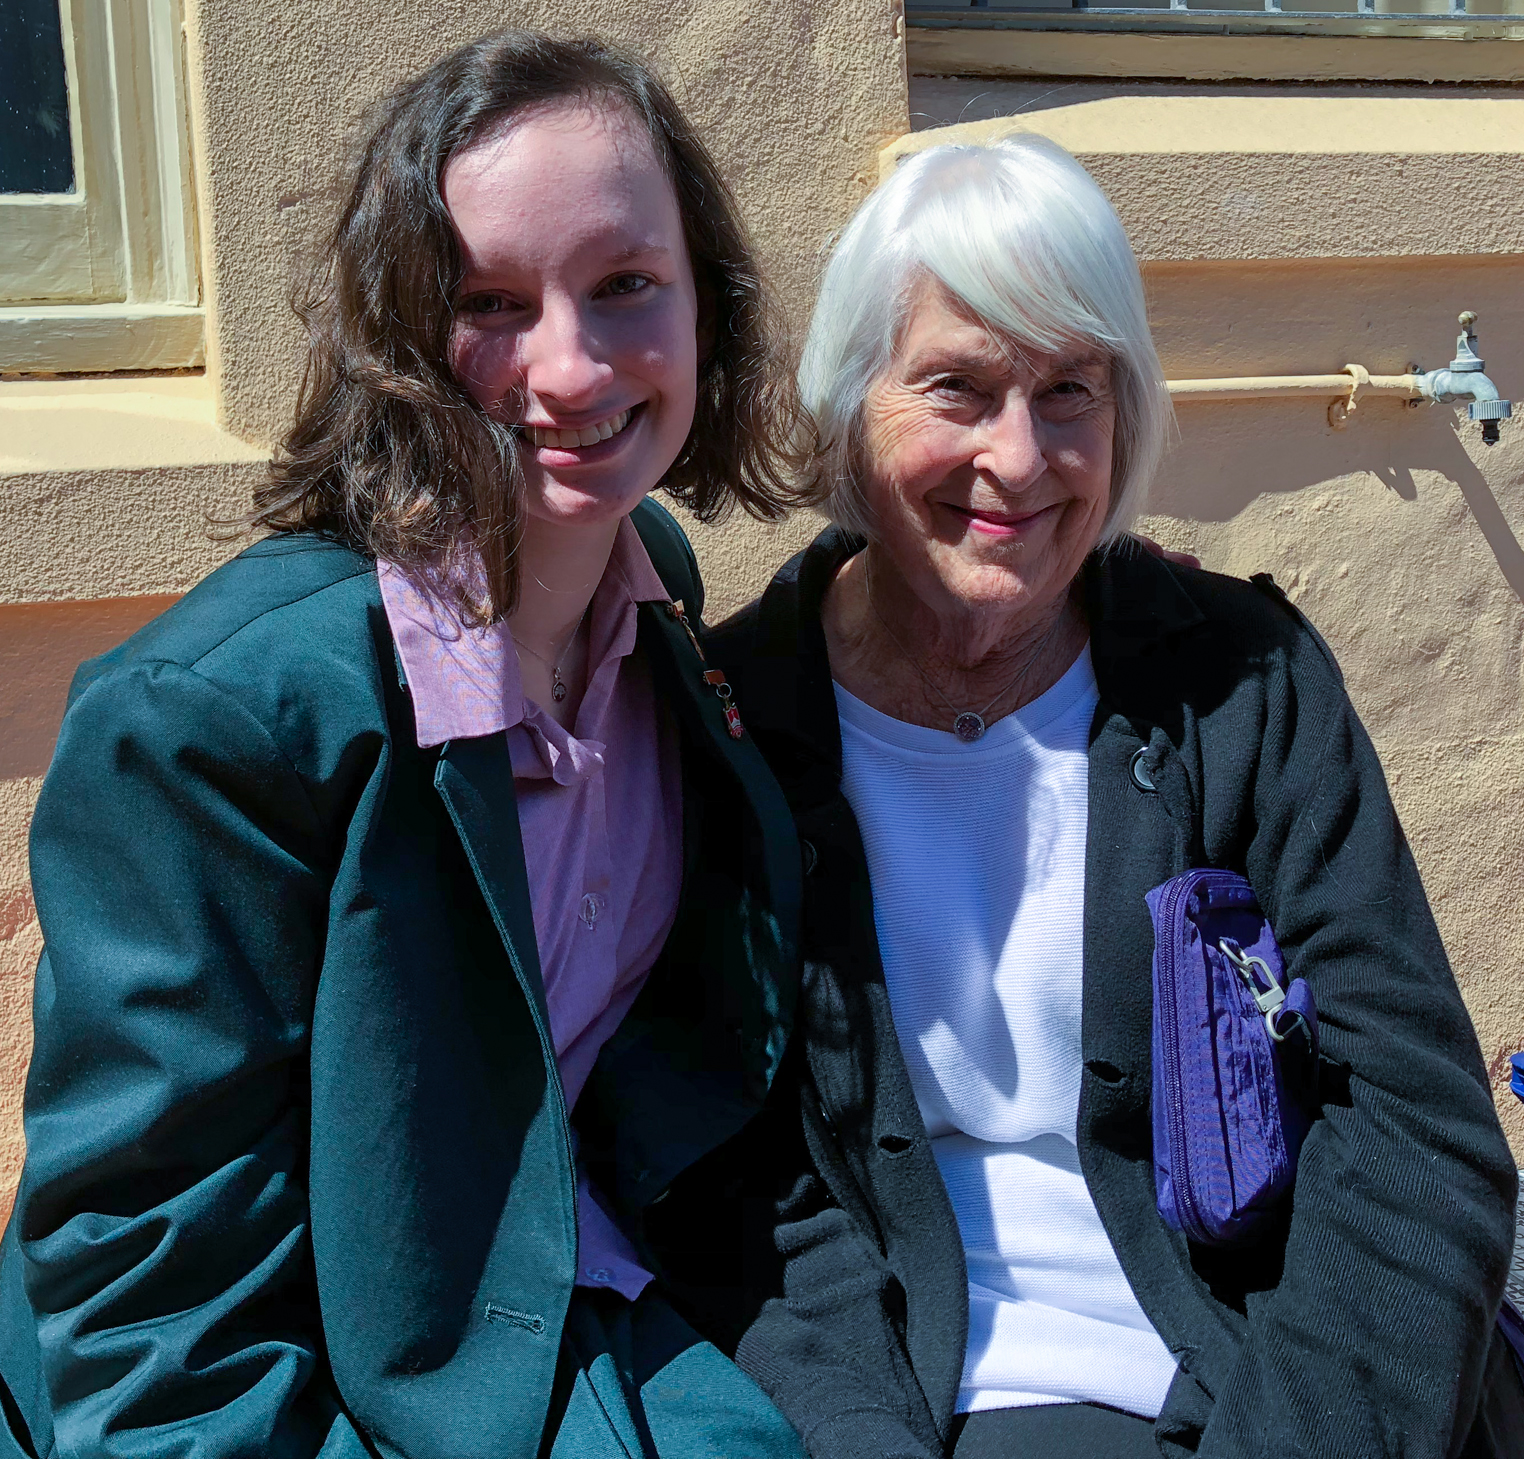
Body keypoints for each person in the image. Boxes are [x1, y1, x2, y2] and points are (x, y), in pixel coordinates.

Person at [0, 31, 810, 1459]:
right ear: (397, 337)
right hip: (313, 1377)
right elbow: (152, 1285)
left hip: (560, 1285)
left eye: (625, 284)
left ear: (707, 304)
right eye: (490, 303)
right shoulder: (212, 723)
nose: (571, 367)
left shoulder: (655, 593)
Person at [711, 135, 1523, 1457]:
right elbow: (731, 1188)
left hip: (1259, 1365)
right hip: (930, 1389)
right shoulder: (735, 727)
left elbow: (1415, 1126)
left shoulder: (1242, 686)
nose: (1021, 458)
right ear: (852, 401)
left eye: (1068, 391)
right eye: (959, 388)